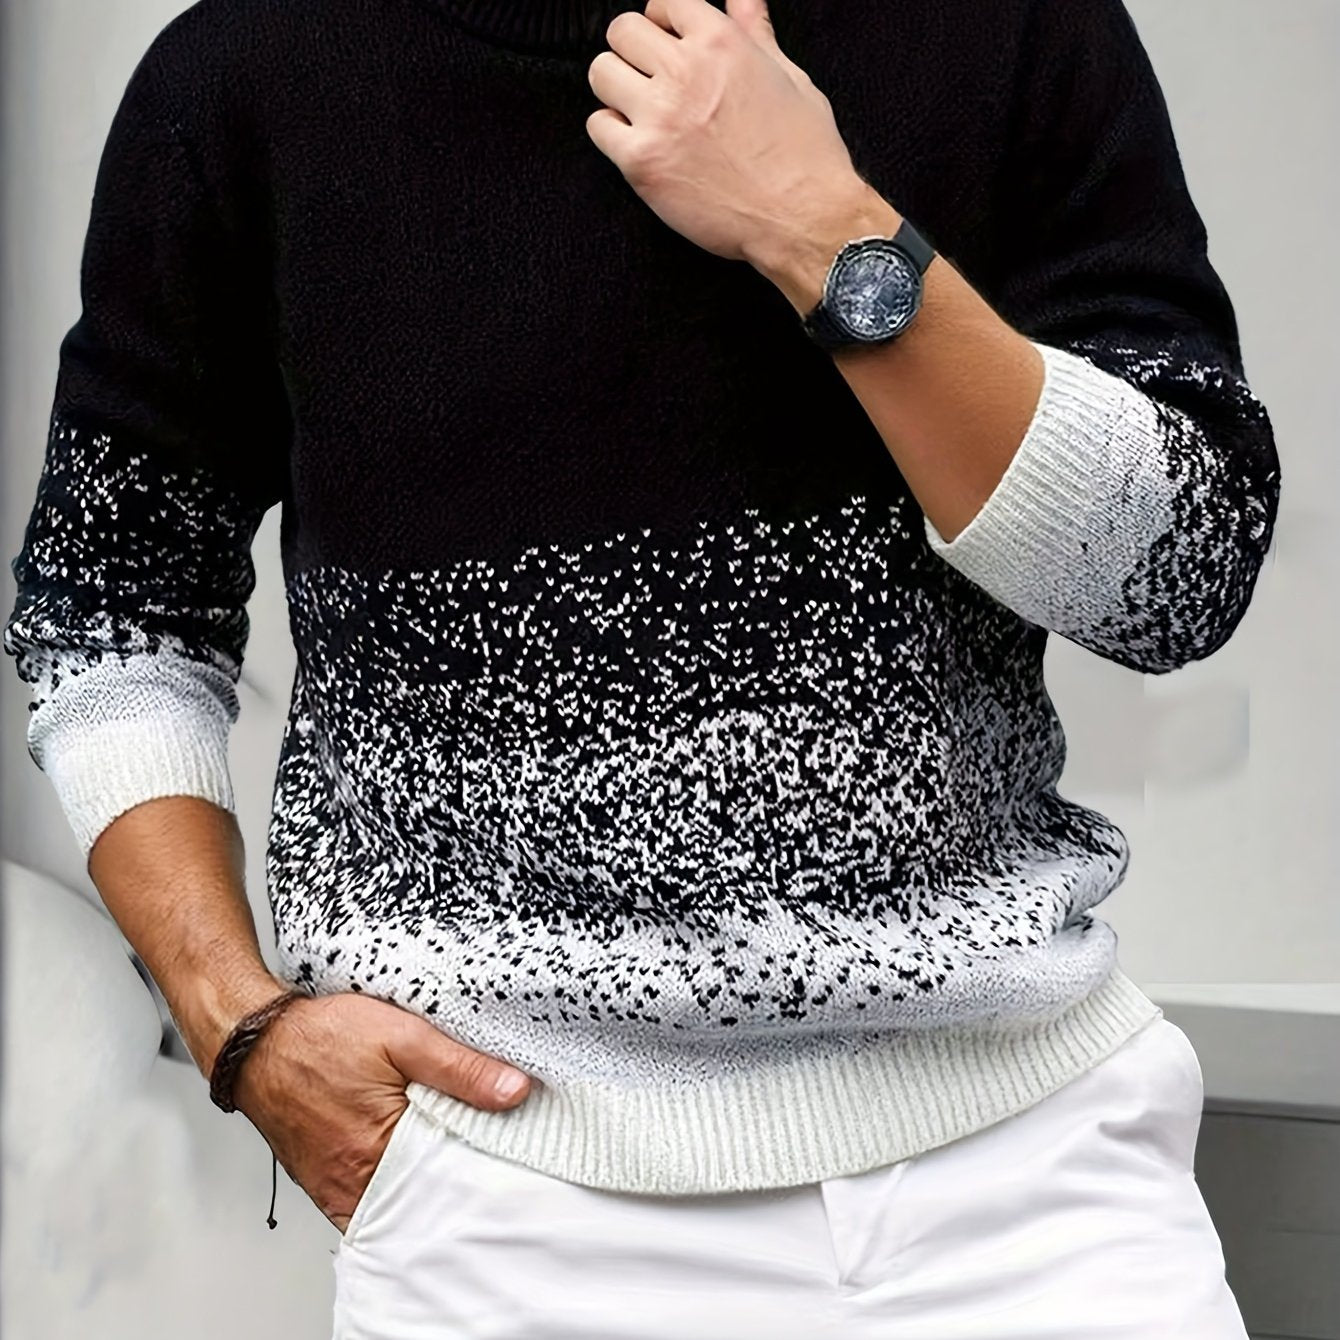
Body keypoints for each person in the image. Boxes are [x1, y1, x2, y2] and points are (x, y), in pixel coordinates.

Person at [4, 0, 1280, 1334]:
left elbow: (1179, 579)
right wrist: (237, 1023)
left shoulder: (1007, 26)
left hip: (1030, 1182)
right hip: (507, 1205)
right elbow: (112, 613)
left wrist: (822, 229)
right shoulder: (250, 75)